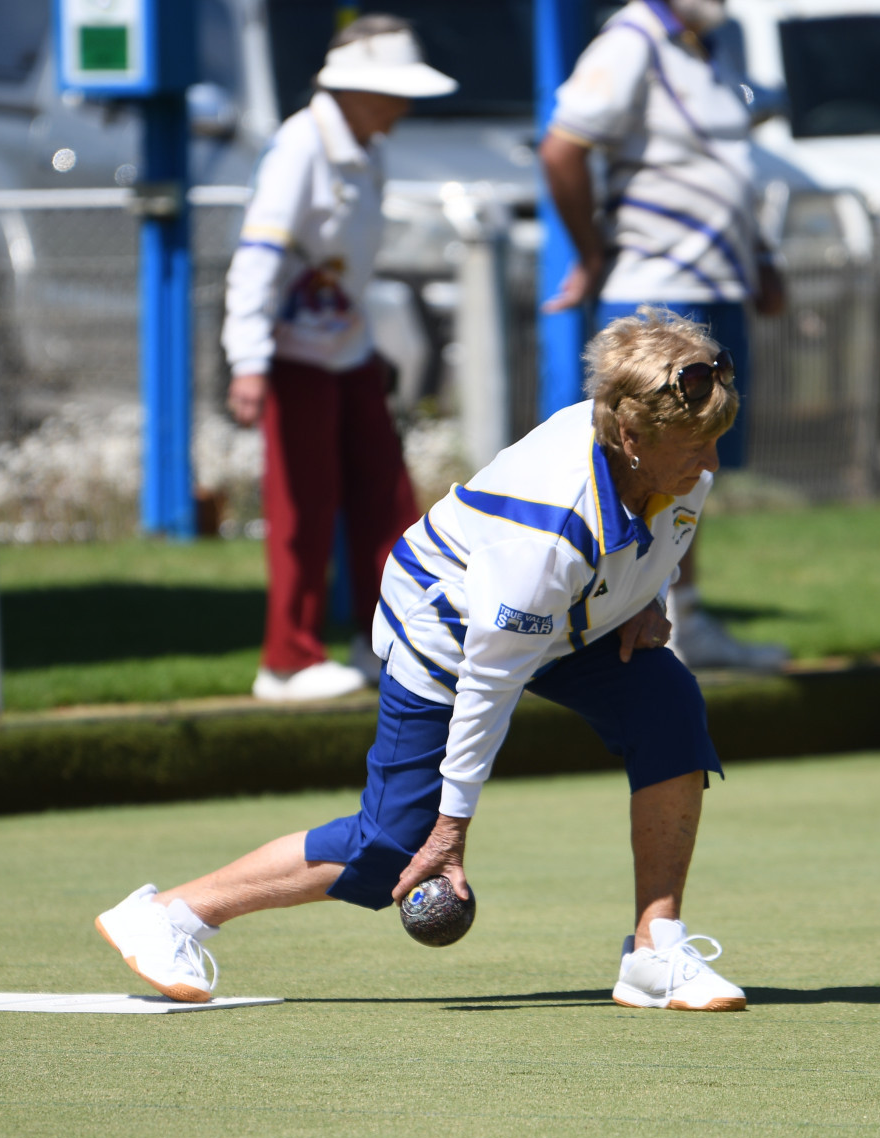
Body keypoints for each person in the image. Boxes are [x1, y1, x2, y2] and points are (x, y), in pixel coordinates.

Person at [97, 308, 748, 1011]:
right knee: (392, 847)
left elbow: (656, 540)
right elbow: (489, 682)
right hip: (449, 619)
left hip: (569, 614)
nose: (710, 463)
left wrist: (646, 600)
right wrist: (449, 830)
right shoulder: (547, 531)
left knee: (668, 706)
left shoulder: (672, 457)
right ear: (628, 435)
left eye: (715, 441)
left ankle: (655, 948)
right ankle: (170, 914)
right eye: (695, 447)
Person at [536, 0, 789, 672]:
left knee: (694, 464)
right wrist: (589, 256)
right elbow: (561, 148)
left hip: (717, 281)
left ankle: (679, 616)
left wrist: (759, 257)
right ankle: (607, 619)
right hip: (659, 283)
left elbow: (725, 167)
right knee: (640, 464)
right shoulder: (630, 40)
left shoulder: (710, 43)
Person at [221, 17, 452, 702]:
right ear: (354, 90)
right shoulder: (300, 146)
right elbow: (259, 256)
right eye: (394, 92)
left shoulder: (367, 144)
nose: (404, 107)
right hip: (292, 356)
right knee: (304, 501)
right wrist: (250, 359)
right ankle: (286, 660)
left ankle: (388, 640)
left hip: (345, 346)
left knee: (386, 494)